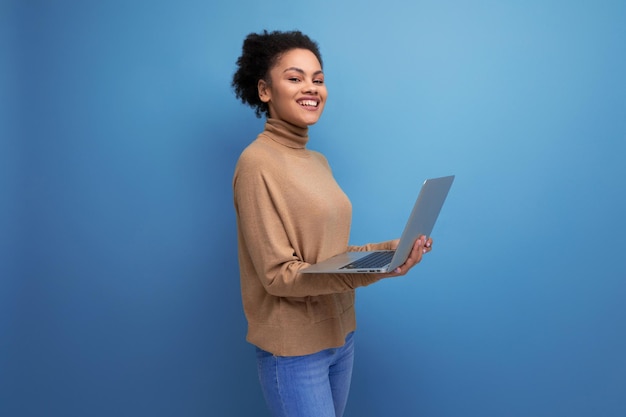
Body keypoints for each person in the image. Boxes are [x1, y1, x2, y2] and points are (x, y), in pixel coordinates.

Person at [231, 30, 433, 417]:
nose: (311, 88)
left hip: (341, 336)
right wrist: (376, 271)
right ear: (264, 90)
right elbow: (279, 276)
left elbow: (330, 256)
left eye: (318, 79)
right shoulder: (257, 163)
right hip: (294, 352)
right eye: (295, 78)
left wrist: (392, 250)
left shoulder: (317, 161)